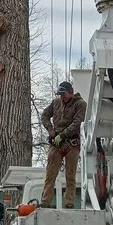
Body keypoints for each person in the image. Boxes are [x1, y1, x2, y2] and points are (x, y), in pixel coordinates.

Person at [40, 80, 87, 208]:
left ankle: (69, 203)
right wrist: (51, 130)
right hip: (56, 143)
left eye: (63, 94)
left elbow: (77, 123)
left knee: (70, 176)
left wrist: (62, 135)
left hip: (72, 144)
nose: (62, 97)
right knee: (50, 174)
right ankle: (45, 201)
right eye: (60, 94)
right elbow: (44, 115)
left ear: (70, 92)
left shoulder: (80, 104)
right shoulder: (55, 103)